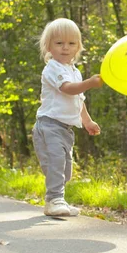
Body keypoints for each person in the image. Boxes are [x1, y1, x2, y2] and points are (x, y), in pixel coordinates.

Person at [32, 18, 103, 217]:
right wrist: (90, 83)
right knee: (56, 165)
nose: (65, 48)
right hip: (49, 126)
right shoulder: (53, 68)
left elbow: (78, 99)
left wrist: (87, 121)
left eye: (71, 43)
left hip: (65, 129)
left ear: (78, 47)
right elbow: (68, 89)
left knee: (66, 171)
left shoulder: (74, 72)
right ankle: (54, 199)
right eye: (59, 43)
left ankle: (58, 199)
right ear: (48, 46)